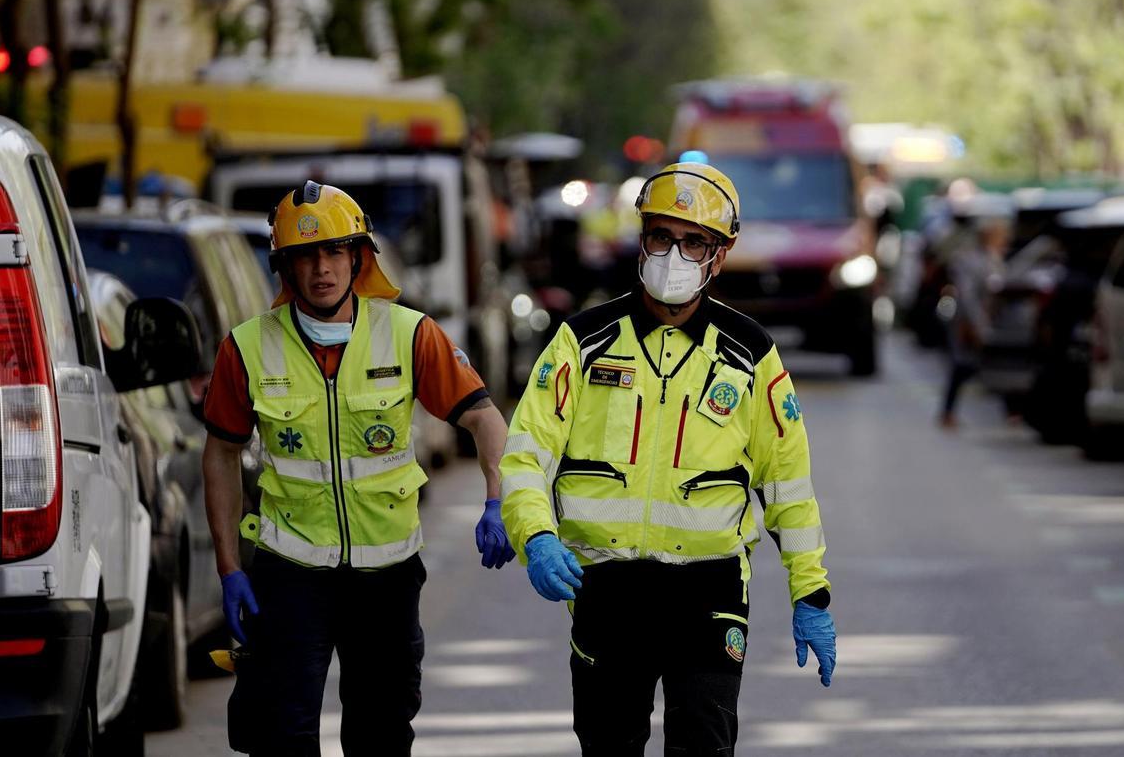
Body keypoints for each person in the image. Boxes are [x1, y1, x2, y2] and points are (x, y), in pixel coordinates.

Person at [499, 161, 836, 755]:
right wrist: (537, 536)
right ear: (641, 241)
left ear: (719, 255)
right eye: (661, 236)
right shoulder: (582, 341)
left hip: (707, 592)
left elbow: (788, 486)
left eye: (693, 242)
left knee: (704, 745)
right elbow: (526, 455)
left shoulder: (751, 357)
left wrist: (810, 593)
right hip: (605, 586)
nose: (673, 255)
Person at [202, 181, 515, 757]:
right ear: (285, 270)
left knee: (381, 735)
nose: (320, 268)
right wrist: (228, 570)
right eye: (303, 256)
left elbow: (485, 419)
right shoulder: (245, 348)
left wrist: (497, 499)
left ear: (358, 258)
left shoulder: (408, 333)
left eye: (333, 252)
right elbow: (220, 453)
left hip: (386, 577)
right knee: (280, 734)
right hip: (290, 573)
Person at [940, 215, 1011, 428]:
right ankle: (947, 412)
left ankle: (1011, 412)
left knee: (994, 365)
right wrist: (978, 327)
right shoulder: (970, 261)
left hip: (986, 321)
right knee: (964, 366)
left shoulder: (994, 258)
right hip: (967, 322)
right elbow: (968, 297)